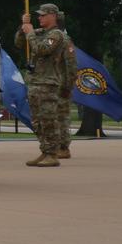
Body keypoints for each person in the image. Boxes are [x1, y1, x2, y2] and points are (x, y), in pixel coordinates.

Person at [16, 3, 66, 167]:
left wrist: (30, 33)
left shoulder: (56, 35)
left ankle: (52, 153)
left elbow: (42, 50)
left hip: (48, 82)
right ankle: (45, 150)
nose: (40, 18)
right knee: (37, 121)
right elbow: (19, 44)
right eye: (39, 15)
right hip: (35, 81)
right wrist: (22, 27)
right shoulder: (39, 33)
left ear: (53, 16)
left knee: (48, 119)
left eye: (43, 15)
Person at [56, 11, 77, 159]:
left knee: (62, 117)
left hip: (61, 85)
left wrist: (68, 87)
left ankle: (63, 147)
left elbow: (71, 67)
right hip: (52, 84)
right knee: (54, 118)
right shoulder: (54, 39)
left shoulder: (65, 41)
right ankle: (56, 145)